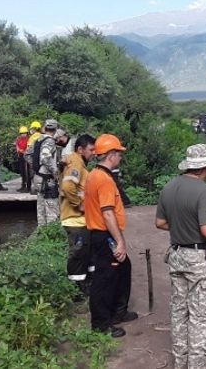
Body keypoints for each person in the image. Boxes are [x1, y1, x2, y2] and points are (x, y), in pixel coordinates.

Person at [156, 144, 206, 369]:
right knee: (201, 318)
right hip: (199, 259)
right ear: (203, 168)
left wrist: (183, 227)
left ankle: (180, 363)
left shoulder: (168, 187)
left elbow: (160, 223)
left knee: (179, 312)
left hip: (176, 255)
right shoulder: (203, 191)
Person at [85, 134, 137, 337]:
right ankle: (101, 324)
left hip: (99, 234)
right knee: (104, 278)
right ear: (111, 155)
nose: (120, 158)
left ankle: (118, 312)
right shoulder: (104, 180)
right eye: (118, 154)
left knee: (124, 268)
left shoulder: (93, 175)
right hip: (104, 234)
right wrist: (119, 241)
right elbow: (107, 213)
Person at [60, 134, 96, 295]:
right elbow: (68, 186)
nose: (93, 153)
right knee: (78, 255)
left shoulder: (80, 163)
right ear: (80, 149)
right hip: (75, 220)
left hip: (81, 221)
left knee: (85, 255)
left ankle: (85, 286)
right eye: (91, 150)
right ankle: (76, 291)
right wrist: (79, 204)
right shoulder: (76, 163)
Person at [34, 120, 65, 226]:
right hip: (47, 179)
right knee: (52, 209)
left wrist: (37, 168)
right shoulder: (50, 141)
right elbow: (45, 157)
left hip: (38, 177)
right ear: (55, 129)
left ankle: (41, 233)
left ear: (45, 127)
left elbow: (27, 154)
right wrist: (55, 172)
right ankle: (53, 233)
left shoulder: (38, 139)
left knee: (41, 208)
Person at [24, 120, 42, 195]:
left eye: (32, 129)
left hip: (33, 158)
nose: (31, 130)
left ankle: (34, 189)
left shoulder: (32, 137)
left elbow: (28, 150)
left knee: (33, 174)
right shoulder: (42, 136)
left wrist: (29, 161)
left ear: (35, 128)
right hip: (41, 159)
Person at [15, 126, 30, 192]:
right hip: (20, 157)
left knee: (27, 173)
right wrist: (18, 150)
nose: (23, 134)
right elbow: (17, 146)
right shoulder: (19, 140)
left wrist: (23, 151)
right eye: (21, 133)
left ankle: (28, 186)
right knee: (22, 172)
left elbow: (29, 148)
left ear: (27, 133)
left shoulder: (29, 139)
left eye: (24, 133)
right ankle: (23, 186)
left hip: (26, 157)